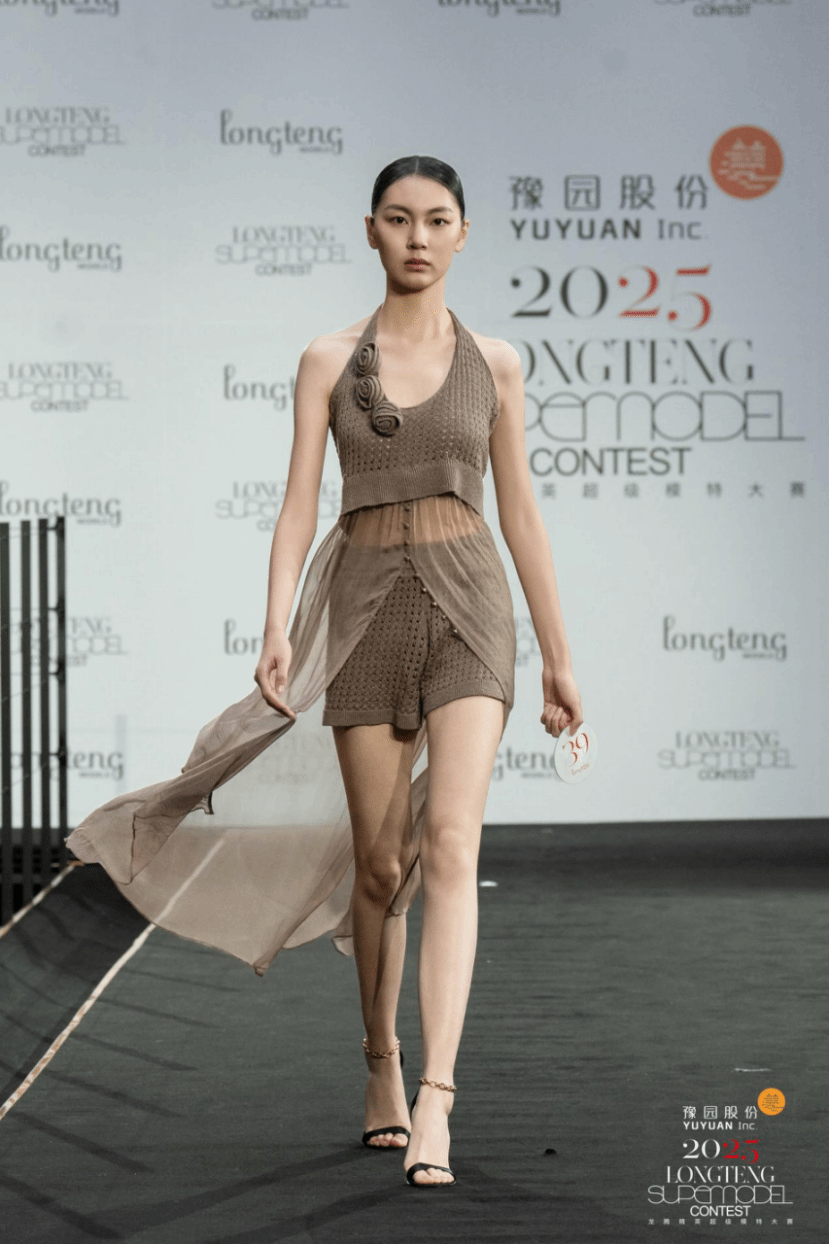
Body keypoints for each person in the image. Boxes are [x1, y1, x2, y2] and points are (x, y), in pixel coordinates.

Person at [67, 154, 583, 1189]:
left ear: (463, 233)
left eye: (437, 219)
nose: (417, 237)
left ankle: (437, 1096)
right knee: (381, 866)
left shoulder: (497, 362)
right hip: (362, 611)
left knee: (451, 842)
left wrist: (559, 657)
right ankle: (380, 1058)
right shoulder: (326, 359)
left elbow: (520, 512)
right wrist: (275, 624)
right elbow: (300, 500)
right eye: (398, 218)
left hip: (472, 607)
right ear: (370, 230)